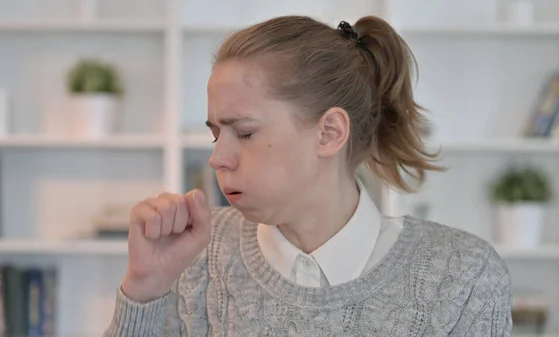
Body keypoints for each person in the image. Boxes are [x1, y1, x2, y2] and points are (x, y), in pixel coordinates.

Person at [104, 15, 512, 337]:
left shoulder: (462, 278)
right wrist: (144, 287)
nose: (218, 159)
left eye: (244, 132)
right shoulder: (191, 258)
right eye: (216, 134)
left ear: (329, 132)